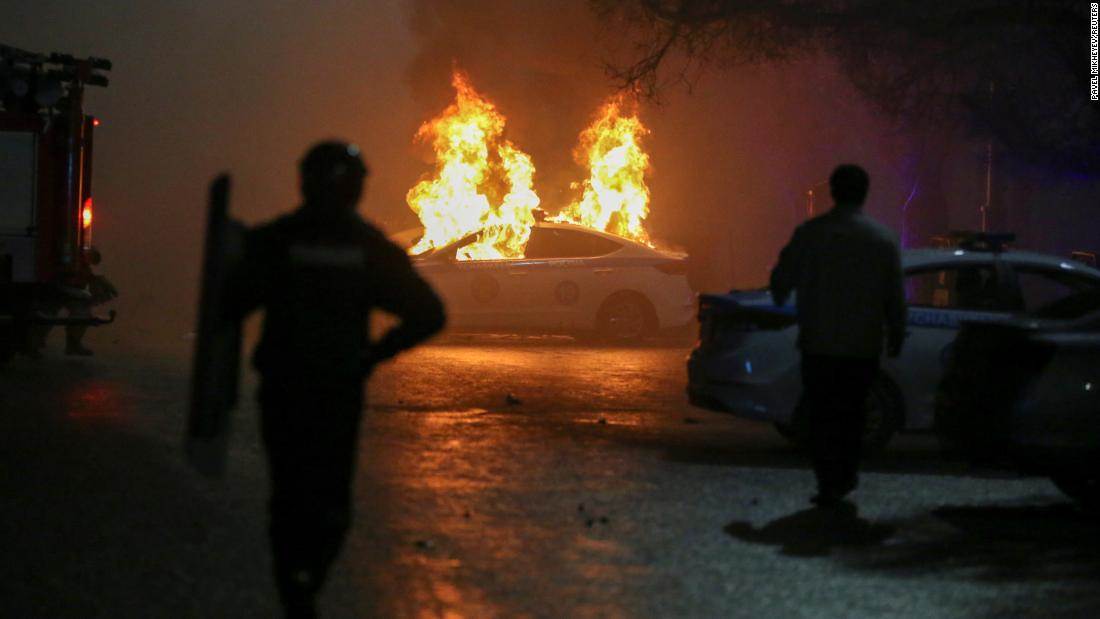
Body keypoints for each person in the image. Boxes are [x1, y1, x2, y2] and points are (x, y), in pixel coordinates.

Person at [225, 141, 446, 618]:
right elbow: (429, 313)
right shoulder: (367, 247)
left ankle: (294, 587)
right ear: (356, 189)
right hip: (335, 391)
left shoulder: (278, 240)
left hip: (283, 389)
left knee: (288, 493)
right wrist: (372, 355)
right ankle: (306, 583)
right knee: (329, 500)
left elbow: (230, 304)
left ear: (304, 182)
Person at [769, 164, 906, 507]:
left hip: (819, 343)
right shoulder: (882, 239)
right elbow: (894, 294)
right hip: (861, 346)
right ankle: (845, 475)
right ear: (865, 193)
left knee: (821, 412)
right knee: (852, 411)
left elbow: (782, 278)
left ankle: (828, 477)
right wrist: (897, 331)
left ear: (832, 191)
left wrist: (782, 295)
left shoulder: (811, 233)